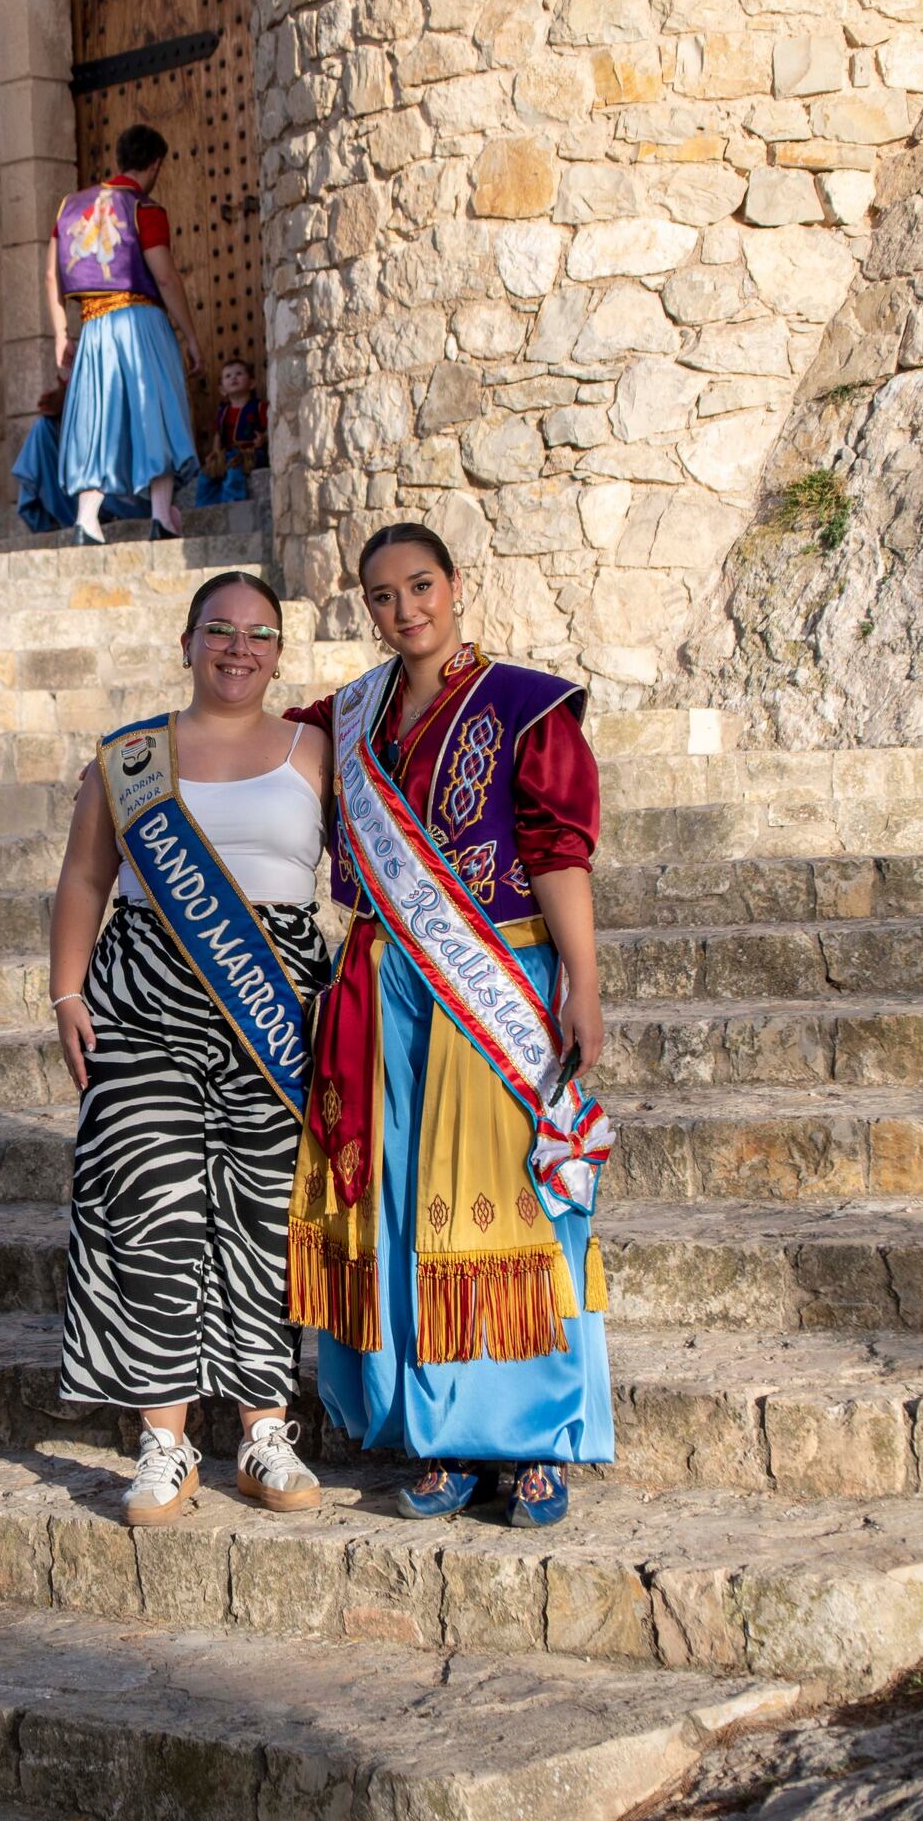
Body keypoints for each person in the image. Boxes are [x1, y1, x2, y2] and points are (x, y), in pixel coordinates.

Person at [284, 522, 613, 1527]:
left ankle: (539, 1437)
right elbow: (249, 766)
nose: (404, 609)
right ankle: (446, 1436)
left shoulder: (525, 705)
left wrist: (583, 982)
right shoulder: (346, 719)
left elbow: (557, 849)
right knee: (400, 1203)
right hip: (383, 985)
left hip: (495, 971)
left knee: (504, 1197)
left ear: (457, 584)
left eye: (419, 585)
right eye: (381, 596)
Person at [53, 571, 332, 1526]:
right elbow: (86, 879)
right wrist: (63, 992)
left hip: (275, 1002)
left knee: (261, 1213)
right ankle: (163, 1443)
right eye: (220, 631)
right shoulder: (130, 757)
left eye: (258, 636)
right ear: (186, 641)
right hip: (142, 998)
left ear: (279, 655)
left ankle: (262, 1433)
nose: (238, 649)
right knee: (150, 1206)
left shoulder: (316, 752)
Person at [46, 123, 203, 547]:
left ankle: (86, 520)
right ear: (154, 164)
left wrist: (62, 334)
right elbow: (165, 277)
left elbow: (51, 274)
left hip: (94, 326)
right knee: (156, 413)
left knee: (96, 422)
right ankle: (160, 517)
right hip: (141, 322)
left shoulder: (69, 207)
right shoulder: (144, 208)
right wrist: (189, 335)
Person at [10, 380, 146, 535]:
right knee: (43, 429)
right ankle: (58, 523)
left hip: (126, 475)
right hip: (82, 482)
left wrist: (72, 399)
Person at [195, 358, 269, 508]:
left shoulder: (259, 407)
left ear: (252, 383)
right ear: (222, 390)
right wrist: (216, 452)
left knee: (234, 472)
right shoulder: (223, 412)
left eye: (239, 374)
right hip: (228, 455)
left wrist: (264, 438)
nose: (233, 377)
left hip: (251, 453)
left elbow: (271, 428)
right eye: (228, 376)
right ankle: (205, 509)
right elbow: (218, 434)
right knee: (206, 475)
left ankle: (233, 507)